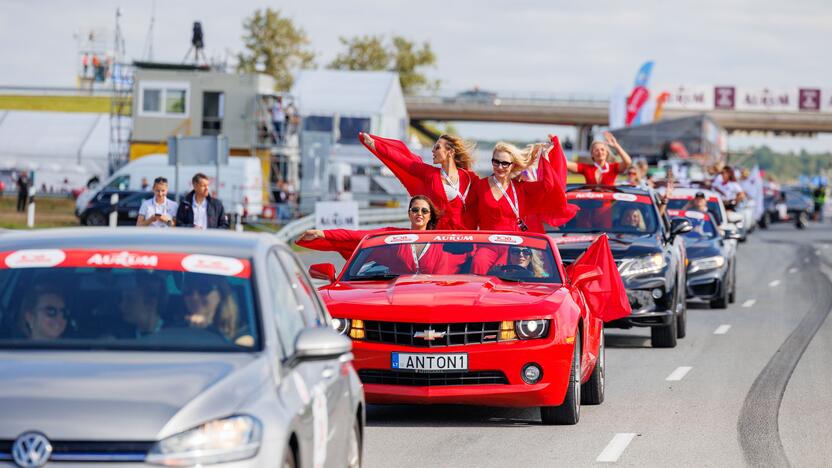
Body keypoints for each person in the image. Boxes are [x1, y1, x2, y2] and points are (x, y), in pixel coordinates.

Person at [360, 132, 479, 230]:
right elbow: (402, 161)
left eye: (437, 147)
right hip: (438, 239)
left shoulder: (470, 178)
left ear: (450, 152)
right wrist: (375, 145)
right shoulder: (429, 173)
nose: (433, 151)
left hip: (465, 239)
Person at [297, 195, 440, 260]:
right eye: (415, 210)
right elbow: (358, 236)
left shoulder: (439, 242)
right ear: (409, 214)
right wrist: (322, 233)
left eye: (424, 211)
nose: (419, 214)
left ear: (430, 216)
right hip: (396, 291)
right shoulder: (393, 235)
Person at [182, 274, 250, 345]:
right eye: (188, 290)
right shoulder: (174, 328)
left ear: (221, 294)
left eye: (204, 289)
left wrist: (207, 330)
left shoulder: (242, 336)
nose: (194, 297)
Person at [566, 131, 632, 185]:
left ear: (607, 153)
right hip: (590, 201)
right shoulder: (586, 168)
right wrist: (556, 147)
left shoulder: (613, 168)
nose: (600, 152)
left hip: (608, 201)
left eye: (602, 149)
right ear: (592, 154)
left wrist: (616, 145)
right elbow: (565, 163)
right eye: (596, 150)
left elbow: (628, 162)